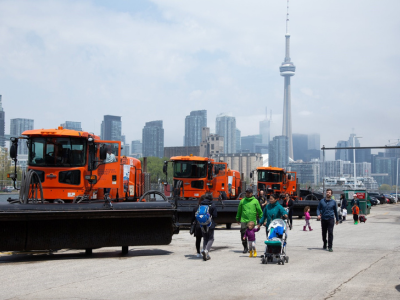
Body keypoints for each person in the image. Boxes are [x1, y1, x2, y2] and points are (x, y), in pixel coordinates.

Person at [236, 188, 263, 253]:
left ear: (252, 193)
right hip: (243, 220)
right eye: (246, 193)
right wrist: (237, 218)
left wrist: (262, 219)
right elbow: (239, 210)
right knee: (243, 233)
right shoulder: (242, 201)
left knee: (251, 234)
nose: (247, 194)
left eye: (249, 193)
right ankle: (245, 247)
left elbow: (259, 211)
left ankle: (251, 247)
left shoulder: (255, 201)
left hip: (251, 221)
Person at [199, 193, 217, 261]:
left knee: (205, 238)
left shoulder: (201, 204)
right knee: (211, 238)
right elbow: (215, 215)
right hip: (210, 223)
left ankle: (205, 252)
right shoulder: (212, 205)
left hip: (202, 223)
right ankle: (206, 251)